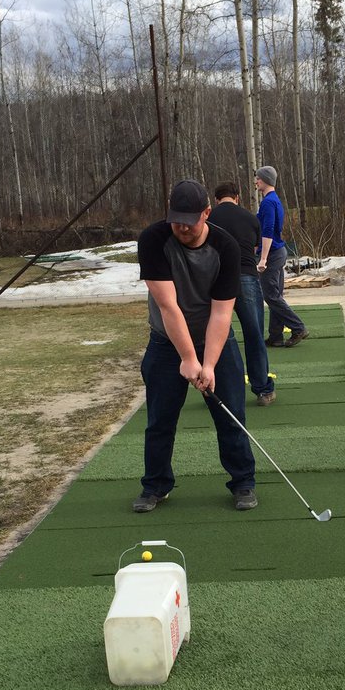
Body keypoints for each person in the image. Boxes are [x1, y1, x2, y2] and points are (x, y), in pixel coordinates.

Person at [133, 178, 257, 513]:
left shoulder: (226, 247)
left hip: (215, 338)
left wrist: (209, 364)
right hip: (165, 341)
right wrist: (188, 357)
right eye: (175, 220)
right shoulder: (153, 239)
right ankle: (156, 485)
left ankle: (243, 482)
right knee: (160, 418)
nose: (181, 228)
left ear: (206, 213)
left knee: (230, 414)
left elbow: (221, 312)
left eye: (188, 222)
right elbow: (168, 306)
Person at [210, 181, 276, 406]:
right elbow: (255, 249)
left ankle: (222, 388)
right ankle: (263, 389)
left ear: (216, 199)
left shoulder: (210, 219)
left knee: (219, 336)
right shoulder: (250, 218)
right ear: (237, 197)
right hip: (246, 275)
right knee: (254, 334)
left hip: (218, 279)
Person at [254, 165, 309, 348]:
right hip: (278, 251)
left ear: (265, 180)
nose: (256, 181)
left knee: (271, 296)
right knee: (274, 294)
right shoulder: (274, 200)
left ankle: (298, 327)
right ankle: (276, 336)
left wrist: (263, 258)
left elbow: (268, 230)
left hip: (273, 253)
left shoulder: (268, 202)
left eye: (258, 178)